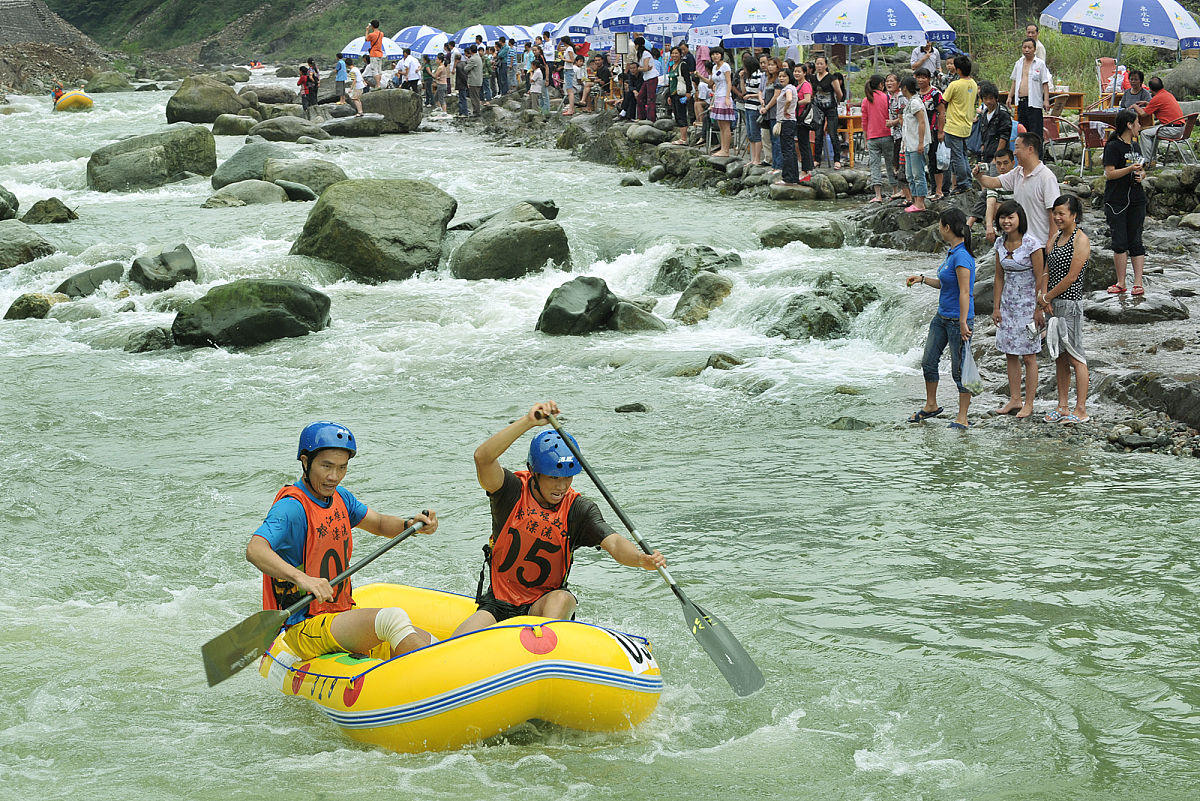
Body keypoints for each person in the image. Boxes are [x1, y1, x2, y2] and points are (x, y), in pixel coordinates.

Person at [452, 401, 666, 637]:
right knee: (458, 642)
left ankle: (544, 647)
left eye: (567, 477)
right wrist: (528, 422)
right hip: (498, 604)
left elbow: (614, 543)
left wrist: (639, 559)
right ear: (535, 472)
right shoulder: (511, 492)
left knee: (562, 598)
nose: (562, 486)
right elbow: (482, 458)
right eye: (554, 477)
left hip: (543, 606)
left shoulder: (578, 510)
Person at [246, 422, 440, 662]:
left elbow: (379, 523)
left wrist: (410, 525)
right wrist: (302, 578)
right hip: (306, 625)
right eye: (326, 466)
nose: (334, 476)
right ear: (306, 462)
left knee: (430, 641)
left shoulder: (341, 498)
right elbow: (255, 549)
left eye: (342, 467)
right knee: (392, 619)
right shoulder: (291, 507)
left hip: (340, 614)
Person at [906, 208, 977, 429]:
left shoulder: (962, 256)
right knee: (928, 361)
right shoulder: (952, 253)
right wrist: (922, 279)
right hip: (942, 317)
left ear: (947, 227)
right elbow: (945, 284)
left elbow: (965, 291)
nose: (939, 229)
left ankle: (962, 417)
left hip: (957, 321)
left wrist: (964, 322)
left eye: (940, 225)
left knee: (959, 369)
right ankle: (931, 405)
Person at [991, 200, 1046, 418]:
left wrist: (1039, 308)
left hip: (1028, 305)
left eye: (1010, 217)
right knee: (1010, 353)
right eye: (1003, 217)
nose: (1006, 221)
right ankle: (1015, 399)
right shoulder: (999, 243)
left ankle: (1029, 403)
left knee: (1029, 356)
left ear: (1019, 219)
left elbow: (1040, 277)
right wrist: (996, 307)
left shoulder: (1032, 244)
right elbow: (998, 276)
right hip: (1008, 305)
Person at [1039, 195, 1091, 424]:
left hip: (1070, 304)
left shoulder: (1081, 240)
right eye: (1055, 213)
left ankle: (1081, 410)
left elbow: (1071, 277)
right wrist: (1043, 296)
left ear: (1074, 215)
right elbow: (1046, 269)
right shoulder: (1055, 238)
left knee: (1075, 355)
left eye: (1062, 213)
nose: (1057, 217)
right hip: (1052, 304)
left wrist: (1048, 296)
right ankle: (1062, 406)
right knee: (1059, 356)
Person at [974, 132, 1059, 248]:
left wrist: (1051, 241)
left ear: (1030, 149)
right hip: (1021, 242)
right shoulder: (1017, 172)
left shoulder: (1046, 177)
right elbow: (994, 182)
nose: (1014, 152)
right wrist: (979, 176)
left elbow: (1053, 212)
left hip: (1040, 243)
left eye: (1017, 147)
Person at [1103, 108, 1148, 295]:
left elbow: (1142, 170)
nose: (1139, 126)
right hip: (1116, 200)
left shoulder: (1135, 146)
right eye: (1137, 123)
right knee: (1119, 241)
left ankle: (1138, 283)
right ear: (1129, 125)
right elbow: (1110, 173)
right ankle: (1121, 282)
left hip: (1137, 199)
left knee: (1136, 240)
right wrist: (1129, 169)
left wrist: (1141, 175)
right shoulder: (1113, 146)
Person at [940, 55, 977, 193]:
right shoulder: (973, 84)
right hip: (966, 125)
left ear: (959, 70)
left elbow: (943, 100)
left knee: (957, 157)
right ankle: (967, 181)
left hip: (953, 125)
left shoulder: (955, 85)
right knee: (963, 154)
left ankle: (963, 184)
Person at [1009, 38, 1050, 158]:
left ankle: (1038, 160)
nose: (1027, 50)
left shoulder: (1040, 64)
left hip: (1034, 103)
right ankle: (1024, 159)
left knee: (1035, 133)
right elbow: (1014, 81)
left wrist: (1046, 100)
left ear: (1034, 49)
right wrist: (1010, 96)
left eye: (1029, 47)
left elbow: (1045, 83)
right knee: (1023, 132)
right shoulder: (1019, 63)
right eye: (1024, 47)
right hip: (1021, 102)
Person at [969, 147, 1015, 245]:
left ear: (1013, 163)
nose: (1002, 167)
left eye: (1005, 163)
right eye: (999, 164)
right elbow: (990, 203)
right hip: (1006, 217)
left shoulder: (1019, 177)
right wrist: (989, 226)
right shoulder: (994, 181)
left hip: (1021, 216)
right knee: (995, 205)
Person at [1135, 76, 1184, 168]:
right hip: (1180, 129)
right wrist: (1147, 103)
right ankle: (1152, 160)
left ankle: (1148, 161)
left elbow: (1143, 114)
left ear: (1150, 89)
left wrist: (1134, 106)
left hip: (1171, 130)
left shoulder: (1157, 98)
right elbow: (1160, 104)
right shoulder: (1167, 94)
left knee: (1144, 133)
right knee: (1151, 132)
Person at [862, 74, 896, 203]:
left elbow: (864, 122)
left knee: (875, 166)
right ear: (881, 85)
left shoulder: (866, 100)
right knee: (890, 164)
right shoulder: (887, 98)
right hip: (887, 135)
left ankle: (878, 195)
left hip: (872, 137)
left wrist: (865, 139)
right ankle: (895, 191)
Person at [696, 46, 734, 156]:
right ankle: (723, 148)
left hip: (724, 97)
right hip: (717, 97)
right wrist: (700, 76)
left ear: (721, 55)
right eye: (713, 54)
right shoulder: (714, 68)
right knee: (720, 125)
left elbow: (729, 82)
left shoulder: (725, 66)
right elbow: (710, 83)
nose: (715, 56)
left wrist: (727, 97)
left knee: (725, 125)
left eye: (717, 54)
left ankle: (726, 150)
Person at [915, 68, 945, 200]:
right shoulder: (916, 94)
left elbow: (942, 113)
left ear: (929, 79)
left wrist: (941, 131)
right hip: (919, 132)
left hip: (933, 130)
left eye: (924, 77)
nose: (921, 80)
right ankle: (928, 189)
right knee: (923, 161)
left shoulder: (935, 93)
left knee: (935, 160)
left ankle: (939, 190)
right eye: (918, 77)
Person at [901, 76, 929, 212]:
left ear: (905, 88)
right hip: (909, 144)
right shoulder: (910, 102)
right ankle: (915, 200)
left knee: (918, 174)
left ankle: (920, 202)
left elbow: (922, 122)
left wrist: (921, 142)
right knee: (910, 175)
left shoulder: (915, 103)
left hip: (916, 144)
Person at [810, 55, 843, 169]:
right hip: (818, 108)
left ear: (826, 65)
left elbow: (839, 93)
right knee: (818, 134)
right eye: (817, 64)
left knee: (833, 134)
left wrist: (836, 102)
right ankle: (817, 159)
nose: (819, 66)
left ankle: (837, 160)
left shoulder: (831, 78)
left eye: (821, 64)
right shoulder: (813, 78)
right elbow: (813, 92)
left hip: (830, 107)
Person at [774, 68, 801, 186]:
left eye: (784, 76)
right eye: (780, 76)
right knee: (790, 150)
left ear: (789, 77)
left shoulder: (788, 88)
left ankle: (788, 177)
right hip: (788, 121)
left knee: (787, 150)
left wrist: (785, 110)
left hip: (786, 121)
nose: (781, 78)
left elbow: (789, 99)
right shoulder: (790, 88)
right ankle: (794, 176)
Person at [886, 72, 909, 202]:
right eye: (887, 81)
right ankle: (902, 190)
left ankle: (904, 191)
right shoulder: (891, 97)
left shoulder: (901, 97)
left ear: (898, 83)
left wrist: (892, 122)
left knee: (901, 162)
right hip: (895, 134)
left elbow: (904, 115)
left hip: (903, 134)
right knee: (896, 161)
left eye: (891, 81)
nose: (889, 83)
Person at [739, 53, 764, 165]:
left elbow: (761, 93)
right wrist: (741, 78)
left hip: (755, 107)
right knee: (750, 134)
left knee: (755, 133)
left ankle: (757, 159)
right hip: (748, 106)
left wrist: (750, 96)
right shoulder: (749, 76)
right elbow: (744, 91)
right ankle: (753, 158)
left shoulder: (759, 76)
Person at [635, 37, 660, 122]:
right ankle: (642, 116)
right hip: (646, 78)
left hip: (652, 77)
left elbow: (645, 68)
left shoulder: (646, 53)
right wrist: (641, 68)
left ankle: (651, 118)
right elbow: (645, 68)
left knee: (651, 99)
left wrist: (639, 69)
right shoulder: (640, 54)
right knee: (640, 97)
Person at [668, 46, 689, 140]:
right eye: (672, 53)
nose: (674, 55)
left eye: (676, 53)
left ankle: (684, 138)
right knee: (676, 115)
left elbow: (687, 80)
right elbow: (670, 82)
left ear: (680, 55)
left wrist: (688, 92)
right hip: (673, 94)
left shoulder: (683, 65)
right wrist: (669, 95)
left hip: (681, 94)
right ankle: (682, 137)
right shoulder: (671, 66)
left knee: (681, 115)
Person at [365, 20, 385, 88]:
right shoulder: (381, 34)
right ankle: (378, 84)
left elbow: (366, 39)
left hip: (374, 54)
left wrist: (367, 30)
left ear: (372, 26)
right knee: (379, 70)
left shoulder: (371, 35)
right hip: (380, 53)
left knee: (374, 70)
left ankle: (378, 85)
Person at [466, 45, 483, 116]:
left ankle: (476, 112)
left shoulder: (473, 59)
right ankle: (477, 111)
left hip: (474, 81)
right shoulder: (478, 57)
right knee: (476, 96)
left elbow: (466, 69)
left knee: (474, 97)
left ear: (470, 51)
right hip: (478, 80)